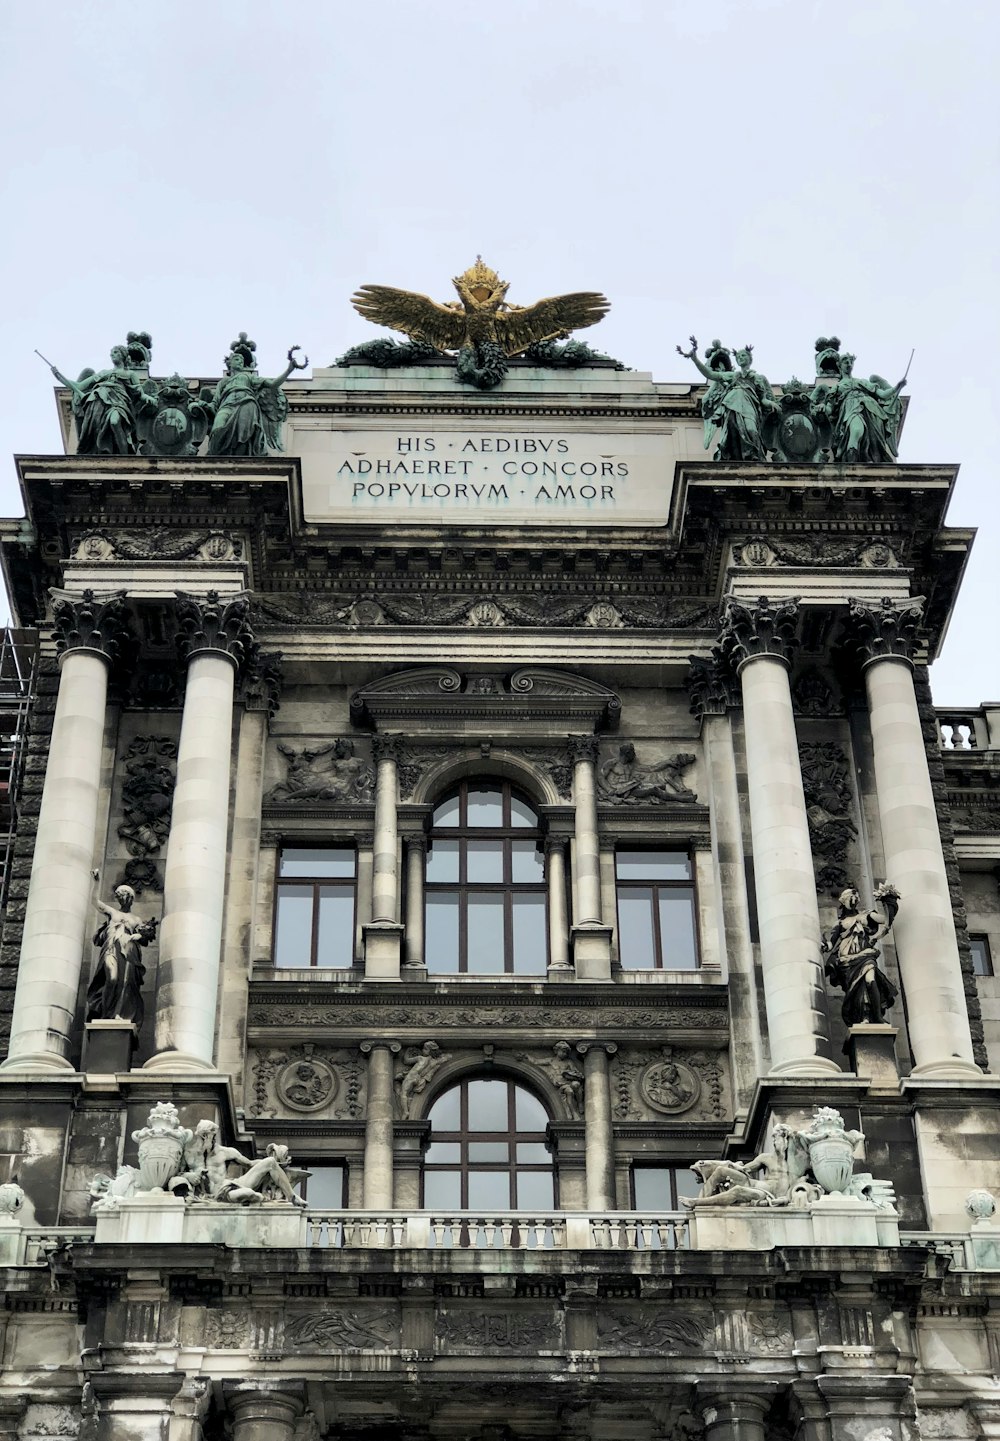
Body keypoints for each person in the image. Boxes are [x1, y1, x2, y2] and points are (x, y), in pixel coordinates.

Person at [676, 337, 778, 461]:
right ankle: (732, 456)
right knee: (731, 430)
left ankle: (756, 456)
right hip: (731, 404)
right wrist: (695, 359)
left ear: (750, 358)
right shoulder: (733, 375)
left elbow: (763, 399)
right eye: (738, 356)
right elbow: (710, 374)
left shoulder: (758, 378)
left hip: (750, 406)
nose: (740, 358)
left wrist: (773, 404)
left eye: (743, 355)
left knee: (752, 430)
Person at [207, 338, 306, 457]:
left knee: (244, 434)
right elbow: (215, 402)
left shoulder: (248, 377)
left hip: (247, 403)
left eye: (242, 361)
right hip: (226, 405)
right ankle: (214, 456)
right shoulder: (223, 382)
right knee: (217, 427)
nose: (240, 362)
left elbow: (273, 384)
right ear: (230, 363)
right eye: (237, 359)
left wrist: (289, 370)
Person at [50, 346, 152, 455]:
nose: (112, 355)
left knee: (114, 421)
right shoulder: (104, 373)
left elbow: (139, 392)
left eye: (115, 352)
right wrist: (58, 376)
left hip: (119, 402)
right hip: (98, 403)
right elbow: (79, 386)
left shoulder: (130, 374)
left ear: (122, 355)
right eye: (111, 353)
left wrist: (148, 398)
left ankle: (125, 454)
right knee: (96, 430)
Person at [175, 1121, 306, 1206]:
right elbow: (177, 1174)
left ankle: (293, 1197)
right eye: (212, 1135)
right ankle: (257, 1198)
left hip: (231, 1185)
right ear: (204, 1135)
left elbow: (249, 1164)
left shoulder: (226, 1152)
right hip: (218, 1195)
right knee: (248, 1193)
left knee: (270, 1162)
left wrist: (276, 1162)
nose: (215, 1139)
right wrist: (188, 1176)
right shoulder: (188, 1153)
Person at [823, 884, 900, 1026]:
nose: (854, 899)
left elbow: (885, 919)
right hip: (846, 962)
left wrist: (888, 901)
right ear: (844, 901)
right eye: (851, 897)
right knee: (857, 988)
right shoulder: (840, 923)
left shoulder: (866, 915)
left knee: (870, 981)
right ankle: (864, 1016)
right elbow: (831, 942)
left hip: (865, 955)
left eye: (856, 897)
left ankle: (877, 1016)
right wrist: (824, 945)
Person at [86, 884, 157, 1026]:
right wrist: (96, 882)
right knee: (111, 979)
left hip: (129, 953)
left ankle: (118, 1013)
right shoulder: (112, 913)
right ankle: (106, 1014)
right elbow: (94, 902)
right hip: (111, 949)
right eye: (119, 895)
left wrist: (138, 935)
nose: (121, 897)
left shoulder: (136, 919)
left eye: (124, 894)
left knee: (125, 983)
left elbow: (145, 938)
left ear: (131, 898)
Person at [828, 354, 906, 463]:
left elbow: (883, 395)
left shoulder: (863, 381)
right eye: (845, 361)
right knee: (856, 430)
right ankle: (850, 466)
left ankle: (864, 463)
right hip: (851, 407)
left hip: (872, 409)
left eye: (851, 361)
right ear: (839, 365)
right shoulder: (837, 387)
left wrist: (898, 387)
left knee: (874, 442)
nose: (849, 364)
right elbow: (829, 408)